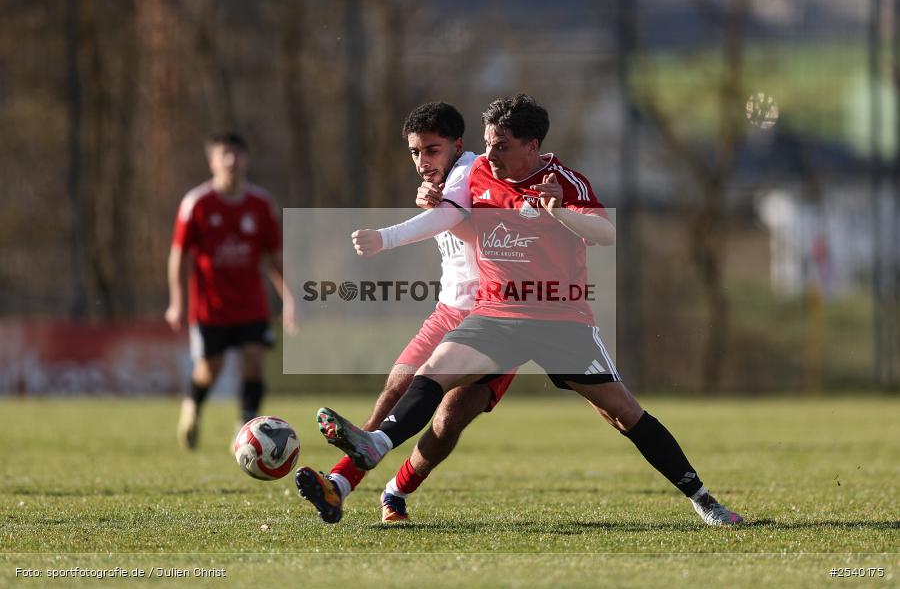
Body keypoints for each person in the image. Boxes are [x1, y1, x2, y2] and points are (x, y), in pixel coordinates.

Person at [317, 94, 744, 526]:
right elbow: (453, 215)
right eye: (487, 143)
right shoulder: (477, 172)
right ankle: (377, 444)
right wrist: (425, 207)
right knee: (432, 372)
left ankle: (703, 499)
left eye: (501, 145)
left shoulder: (565, 181)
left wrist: (560, 213)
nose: (490, 154)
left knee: (623, 413)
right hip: (495, 314)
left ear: (532, 146)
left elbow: (605, 234)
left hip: (560, 320)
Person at [294, 102, 515, 524]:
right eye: (414, 152)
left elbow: (455, 221)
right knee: (396, 385)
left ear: (457, 146)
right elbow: (453, 223)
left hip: (498, 316)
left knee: (448, 420)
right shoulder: (442, 183)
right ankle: (338, 486)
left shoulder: (473, 170)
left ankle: (396, 490)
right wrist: (437, 209)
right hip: (450, 310)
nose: (421, 161)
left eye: (431, 150)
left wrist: (385, 237)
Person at [166, 132, 295, 450]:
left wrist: (289, 298)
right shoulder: (196, 203)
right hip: (211, 306)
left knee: (254, 358)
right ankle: (192, 407)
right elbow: (178, 256)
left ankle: (247, 427)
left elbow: (274, 258)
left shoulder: (261, 205)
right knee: (211, 368)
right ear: (211, 162)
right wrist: (177, 302)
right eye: (224, 154)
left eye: (236, 154)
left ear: (246, 159)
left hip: (251, 303)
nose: (231, 160)